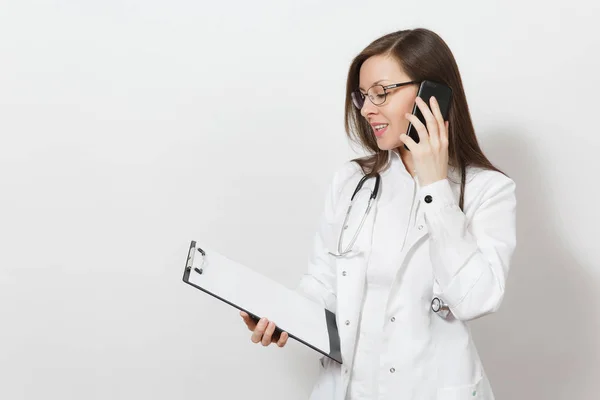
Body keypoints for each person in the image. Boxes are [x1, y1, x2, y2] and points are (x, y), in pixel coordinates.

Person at [240, 27, 517, 400]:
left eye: (381, 93)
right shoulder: (352, 181)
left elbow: (476, 299)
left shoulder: (487, 190)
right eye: (363, 96)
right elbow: (323, 283)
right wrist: (284, 316)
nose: (368, 109)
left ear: (431, 95)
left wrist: (434, 187)